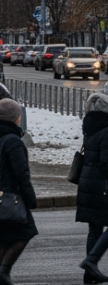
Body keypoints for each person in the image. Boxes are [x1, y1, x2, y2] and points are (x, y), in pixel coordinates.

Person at [76, 94, 108, 284]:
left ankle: (90, 273)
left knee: (95, 227)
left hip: (88, 182)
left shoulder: (90, 127)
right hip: (103, 185)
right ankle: (91, 261)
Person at [0, 99, 35, 285]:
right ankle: (3, 272)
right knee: (25, 232)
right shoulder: (13, 141)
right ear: (16, 118)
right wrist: (30, 198)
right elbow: (22, 174)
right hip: (11, 197)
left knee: (4, 236)